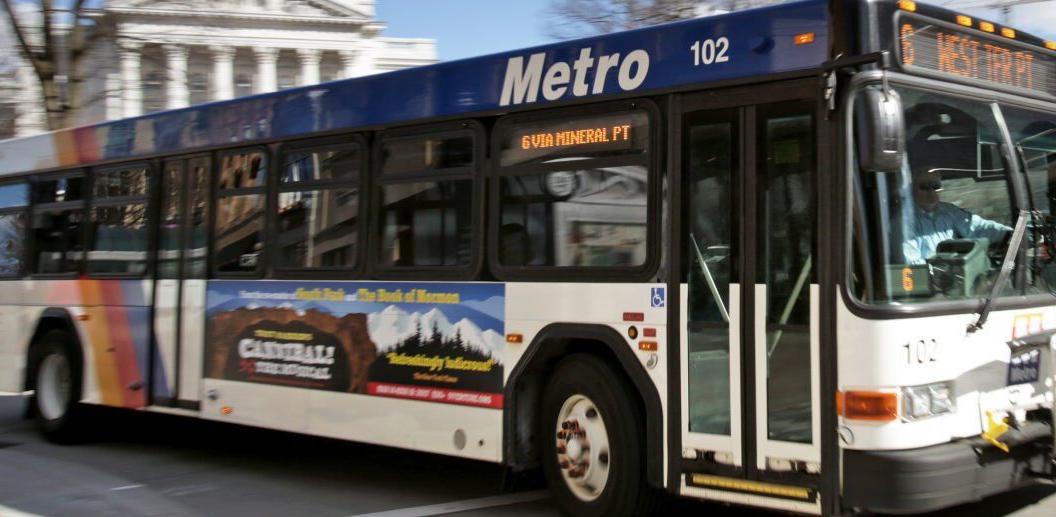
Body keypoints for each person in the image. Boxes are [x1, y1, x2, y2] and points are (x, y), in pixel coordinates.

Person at [902, 169, 1012, 265]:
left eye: (936, 186)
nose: (931, 192)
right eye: (924, 187)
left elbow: (978, 227)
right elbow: (913, 266)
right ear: (912, 189)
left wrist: (1013, 235)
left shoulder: (949, 211)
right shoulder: (904, 221)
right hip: (932, 283)